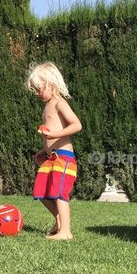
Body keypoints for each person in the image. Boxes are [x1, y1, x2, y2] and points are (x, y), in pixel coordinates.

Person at [27, 62, 81, 240]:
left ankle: (66, 232)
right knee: (40, 191)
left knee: (59, 192)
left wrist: (56, 135)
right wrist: (43, 152)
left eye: (38, 88)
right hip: (51, 158)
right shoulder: (46, 106)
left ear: (51, 84)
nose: (36, 93)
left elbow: (76, 125)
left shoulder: (59, 103)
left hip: (64, 158)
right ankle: (58, 220)